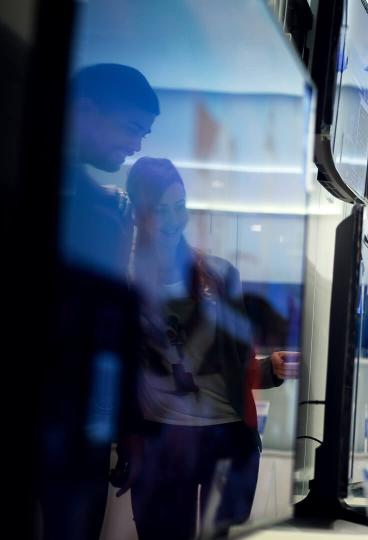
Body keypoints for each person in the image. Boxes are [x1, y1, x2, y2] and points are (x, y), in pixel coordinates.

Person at [121, 157, 298, 539]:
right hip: (159, 443)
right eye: (159, 211)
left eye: (179, 207)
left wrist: (270, 368)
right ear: (138, 213)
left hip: (228, 438)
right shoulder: (123, 278)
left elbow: (239, 362)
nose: (172, 221)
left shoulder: (219, 275)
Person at [37, 63, 159, 540]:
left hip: (78, 422)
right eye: (132, 128)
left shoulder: (101, 205)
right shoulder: (87, 206)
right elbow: (107, 329)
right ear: (85, 110)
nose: (135, 146)